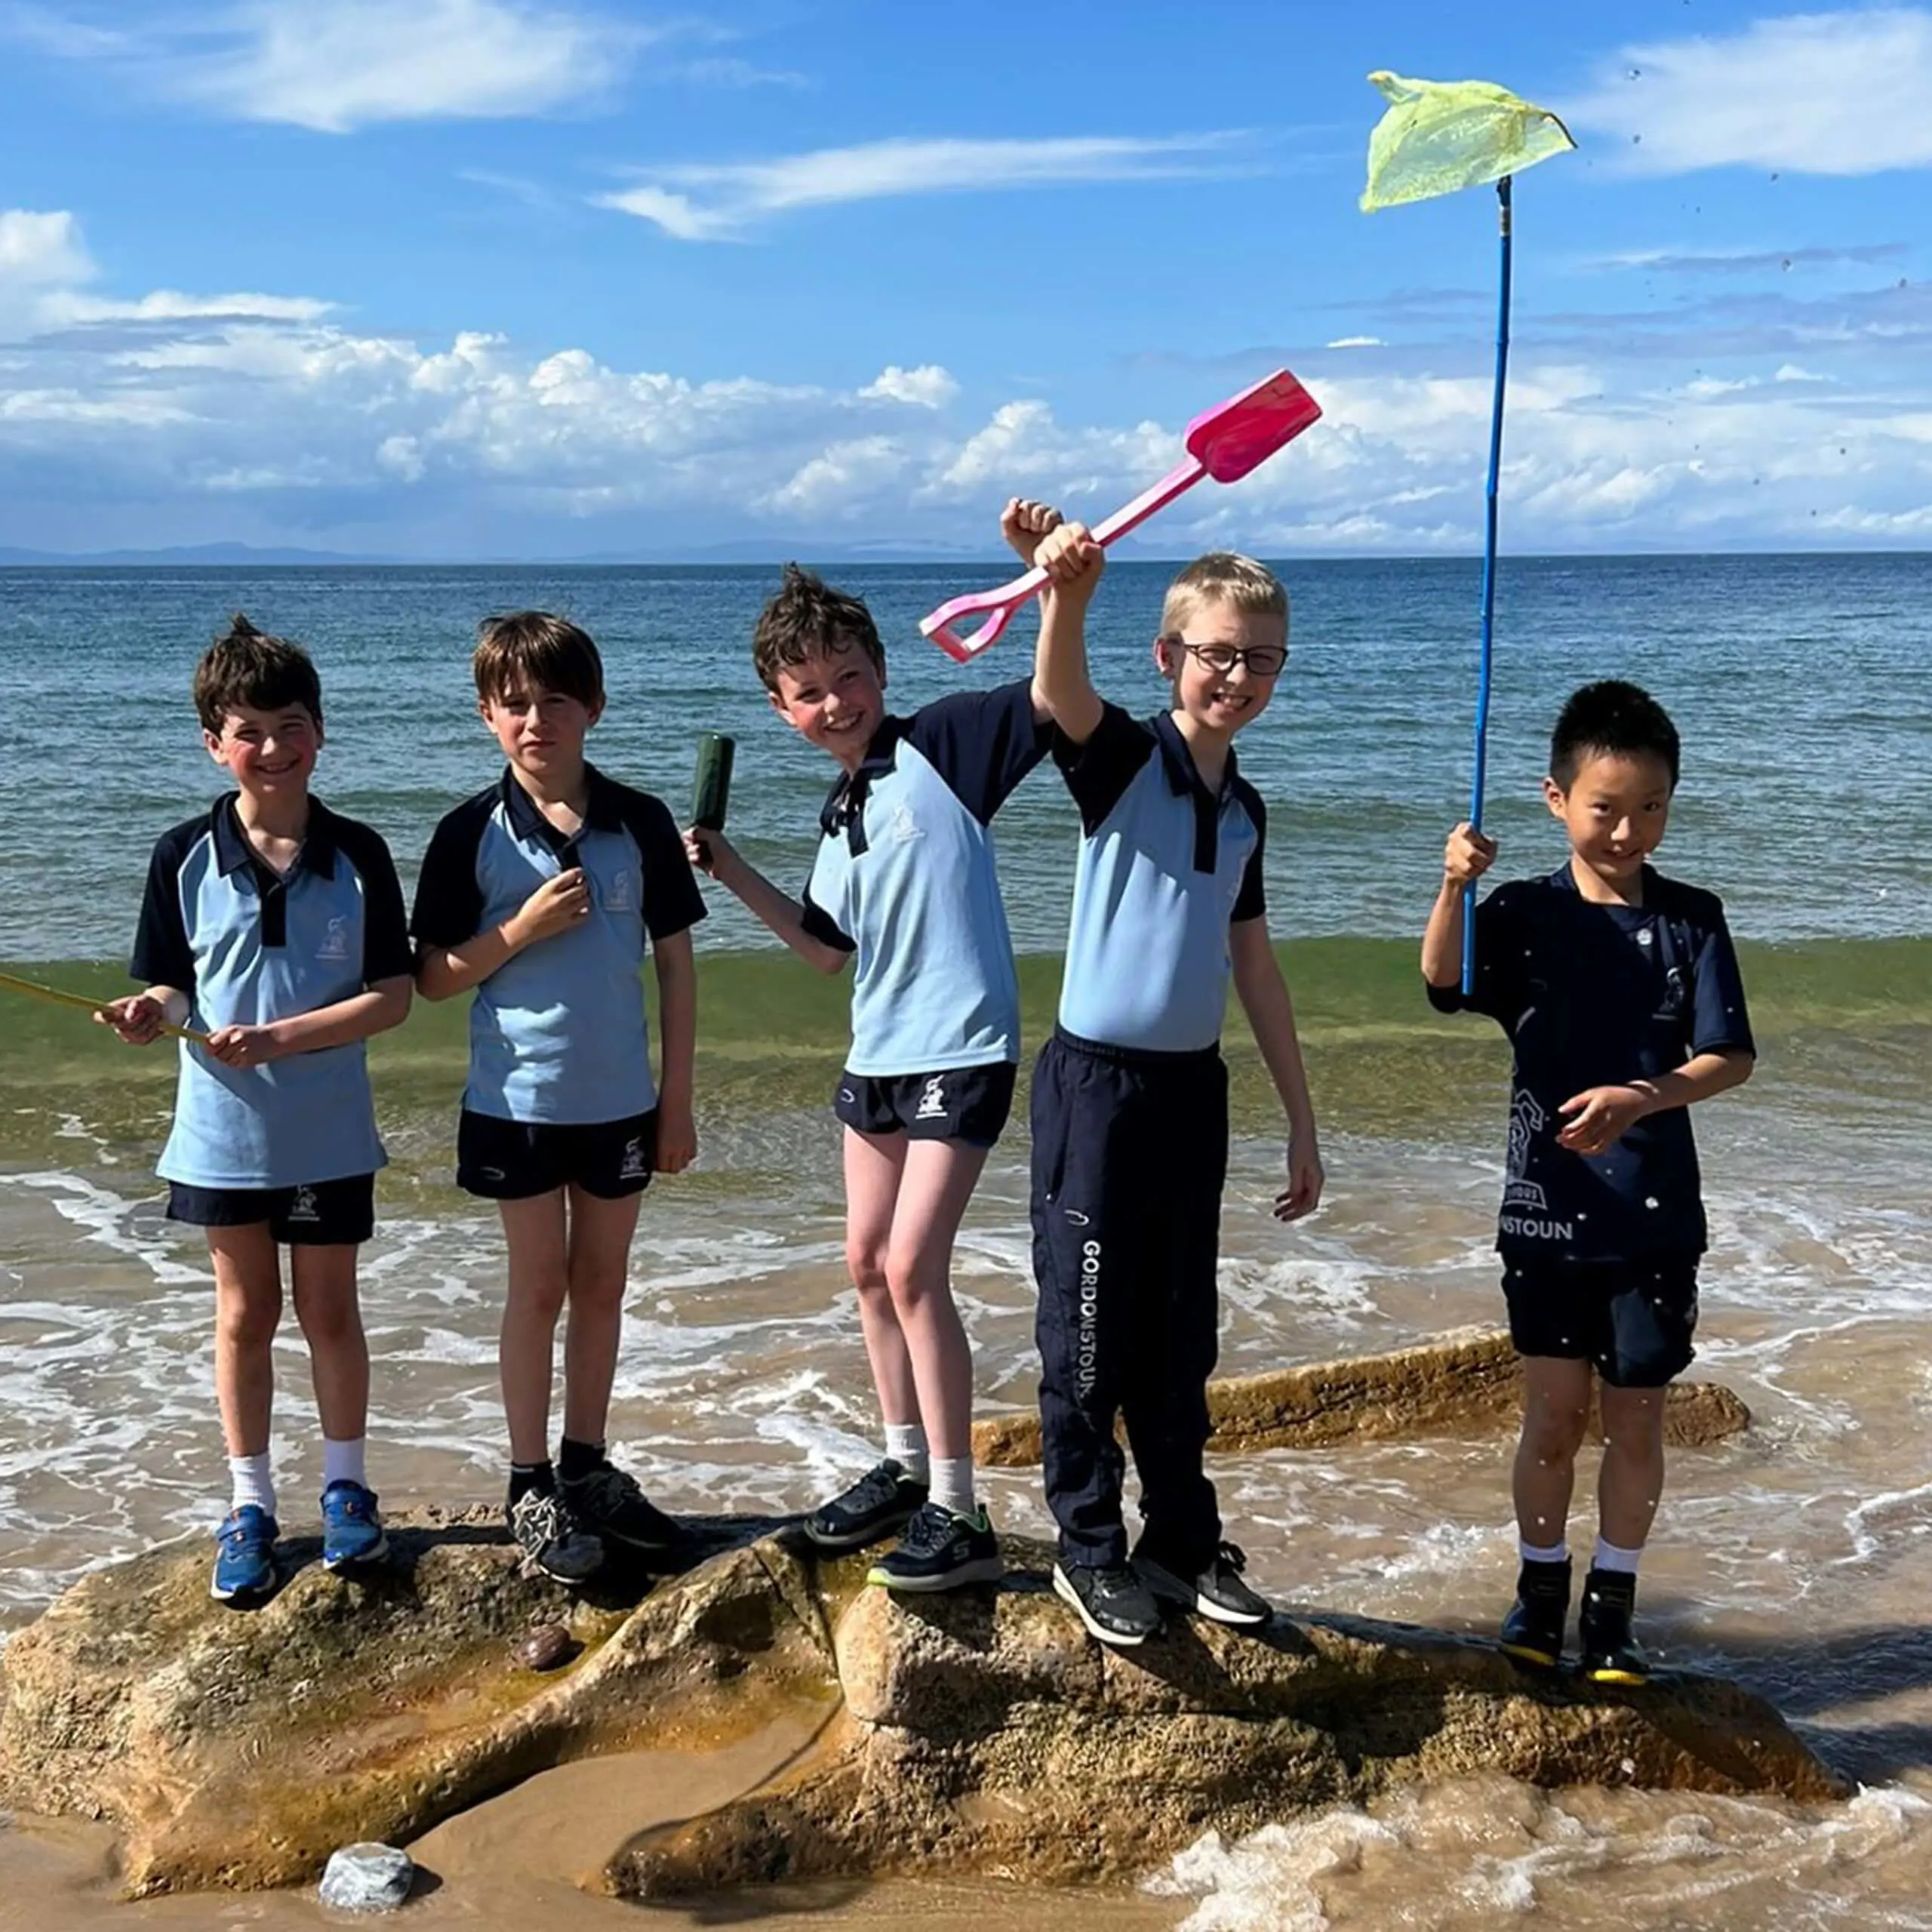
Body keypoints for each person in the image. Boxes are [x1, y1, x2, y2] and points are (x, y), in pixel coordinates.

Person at [685, 565, 1048, 1593]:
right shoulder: (839, 803)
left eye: (850, 677)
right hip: (876, 1055)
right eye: (810, 691)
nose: (834, 701)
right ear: (781, 708)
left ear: (882, 673)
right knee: (864, 1264)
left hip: (960, 1047)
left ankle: (958, 1506)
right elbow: (824, 950)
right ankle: (902, 1463)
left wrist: (1062, 589)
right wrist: (728, 866)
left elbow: (1054, 702)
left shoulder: (943, 747)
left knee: (911, 1267)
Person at [1007, 500, 1324, 1649]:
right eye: (1216, 653)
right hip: (1097, 1090)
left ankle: (1180, 1543)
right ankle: (1086, 1550)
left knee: (1182, 1337)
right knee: (1087, 1331)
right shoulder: (1126, 761)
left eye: (1259, 658)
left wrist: (1300, 1116)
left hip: (1194, 1093)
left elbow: (1256, 965)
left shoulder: (1244, 811)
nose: (1235, 675)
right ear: (1171, 657)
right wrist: (1066, 595)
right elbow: (1059, 698)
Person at [1421, 678, 1755, 1684]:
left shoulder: (1692, 921)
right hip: (1546, 1217)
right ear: (1556, 799)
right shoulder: (1522, 913)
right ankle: (1537, 1591)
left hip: (1655, 1222)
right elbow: (1443, 984)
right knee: (1555, 1417)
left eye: (1650, 806)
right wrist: (1453, 887)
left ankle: (1612, 1608)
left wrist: (1642, 1097)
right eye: (1606, 807)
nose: (1628, 828)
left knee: (1637, 1418)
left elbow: (1729, 1056)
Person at [97, 614, 413, 1604]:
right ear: (213, 742)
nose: (272, 749)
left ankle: (348, 1491)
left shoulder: (359, 853)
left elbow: (393, 996)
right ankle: (249, 1506)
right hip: (222, 1134)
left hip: (327, 1130)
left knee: (329, 1312)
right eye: (249, 730)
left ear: (319, 730)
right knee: (245, 1315)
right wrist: (151, 1011)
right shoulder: (183, 853)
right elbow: (174, 987)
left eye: (290, 726)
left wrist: (279, 1038)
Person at [411, 612, 703, 1585]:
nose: (536, 720)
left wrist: (677, 1101)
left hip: (621, 1103)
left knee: (605, 1287)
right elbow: (436, 979)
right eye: (515, 705)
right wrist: (520, 930)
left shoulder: (639, 823)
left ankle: (588, 1464)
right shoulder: (469, 833)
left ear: (594, 709)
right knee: (538, 1287)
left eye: (555, 702)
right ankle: (529, 1479)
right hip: (516, 1105)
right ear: (489, 717)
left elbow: (675, 965)